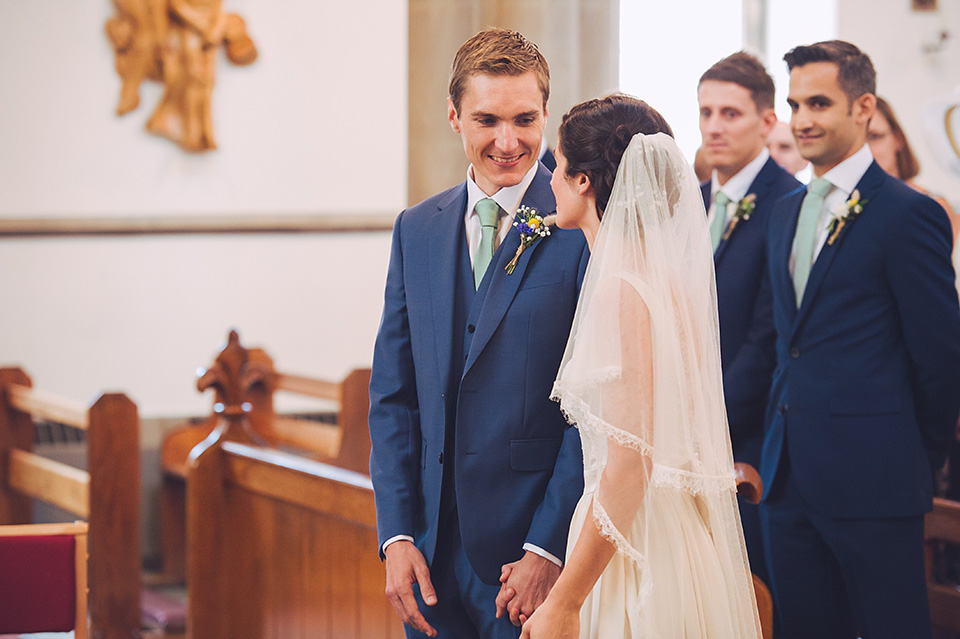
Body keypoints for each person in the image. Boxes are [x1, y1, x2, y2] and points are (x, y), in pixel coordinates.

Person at [368, 28, 589, 639]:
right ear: (453, 115)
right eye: (487, 119)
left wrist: (548, 548)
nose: (508, 141)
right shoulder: (417, 228)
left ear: (547, 113)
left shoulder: (583, 224)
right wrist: (398, 533)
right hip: (429, 555)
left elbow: (592, 411)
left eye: (525, 119)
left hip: (531, 559)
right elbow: (393, 395)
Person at [518, 94, 762, 639]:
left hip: (635, 545)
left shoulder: (621, 289)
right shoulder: (660, 278)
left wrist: (565, 601)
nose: (550, 179)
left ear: (584, 181)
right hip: (674, 533)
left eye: (557, 164)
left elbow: (630, 467)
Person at [760, 40, 960, 638]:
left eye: (819, 103)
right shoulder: (783, 211)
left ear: (864, 106)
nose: (803, 120)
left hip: (875, 480)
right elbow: (786, 341)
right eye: (795, 104)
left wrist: (909, 458)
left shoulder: (907, 214)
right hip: (787, 477)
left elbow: (941, 358)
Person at [697, 51, 801, 589]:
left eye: (730, 114)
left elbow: (768, 337)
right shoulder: (687, 204)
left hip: (751, 442)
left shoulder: (791, 203)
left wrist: (701, 422)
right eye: (706, 112)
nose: (714, 126)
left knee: (752, 595)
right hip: (684, 440)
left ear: (767, 122)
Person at [868, 96, 959, 238]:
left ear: (897, 139)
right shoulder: (848, 206)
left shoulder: (931, 206)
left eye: (874, 137)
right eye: (856, 142)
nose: (865, 149)